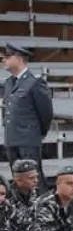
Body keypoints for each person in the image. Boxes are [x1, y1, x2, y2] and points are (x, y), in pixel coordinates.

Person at [2, 43, 53, 192]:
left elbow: (46, 114)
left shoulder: (34, 82)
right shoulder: (9, 83)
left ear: (19, 58)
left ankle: (42, 209)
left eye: (8, 56)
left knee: (34, 179)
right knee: (18, 180)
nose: (4, 60)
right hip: (12, 139)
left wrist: (37, 134)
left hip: (28, 140)